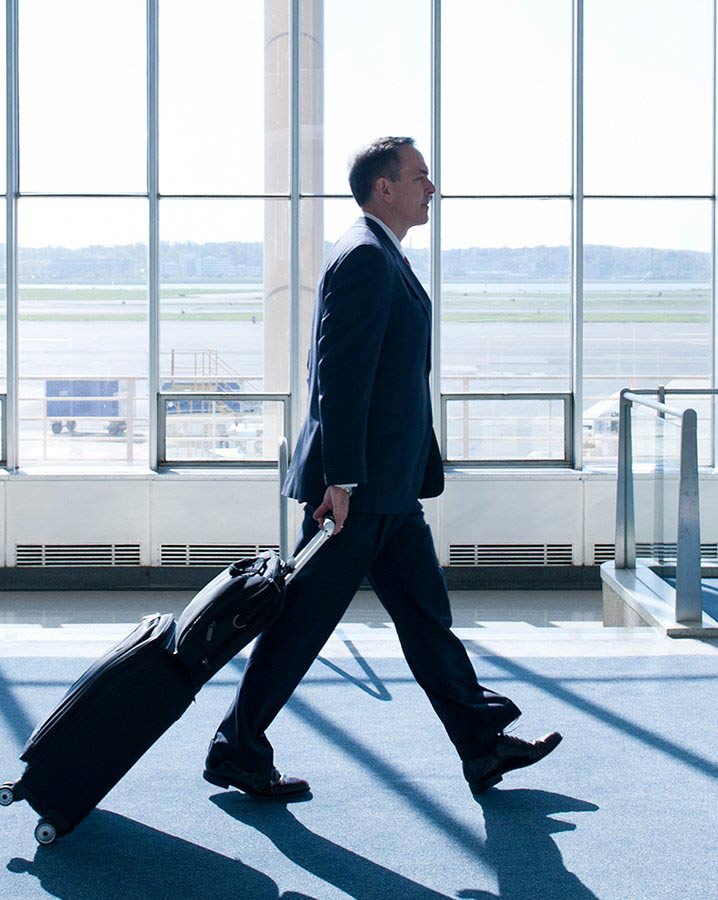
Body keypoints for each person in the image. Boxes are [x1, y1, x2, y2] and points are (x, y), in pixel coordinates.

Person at [203, 136, 561, 798]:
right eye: (421, 177)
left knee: (426, 619)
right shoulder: (366, 257)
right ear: (385, 189)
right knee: (302, 623)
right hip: (358, 492)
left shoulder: (379, 254)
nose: (433, 188)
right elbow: (338, 378)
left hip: (387, 491)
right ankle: (237, 746)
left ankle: (481, 745)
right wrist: (341, 480)